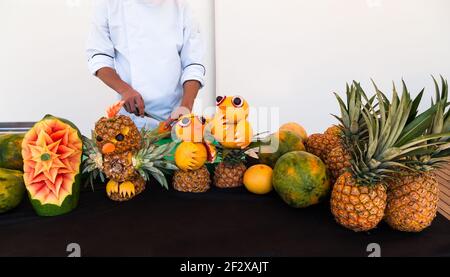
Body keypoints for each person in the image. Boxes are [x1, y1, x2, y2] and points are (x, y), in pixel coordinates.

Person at [86, 0, 205, 129]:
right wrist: (125, 90)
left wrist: (185, 108)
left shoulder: (181, 6)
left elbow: (193, 64)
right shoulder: (109, 4)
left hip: (176, 117)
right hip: (132, 121)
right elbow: (99, 56)